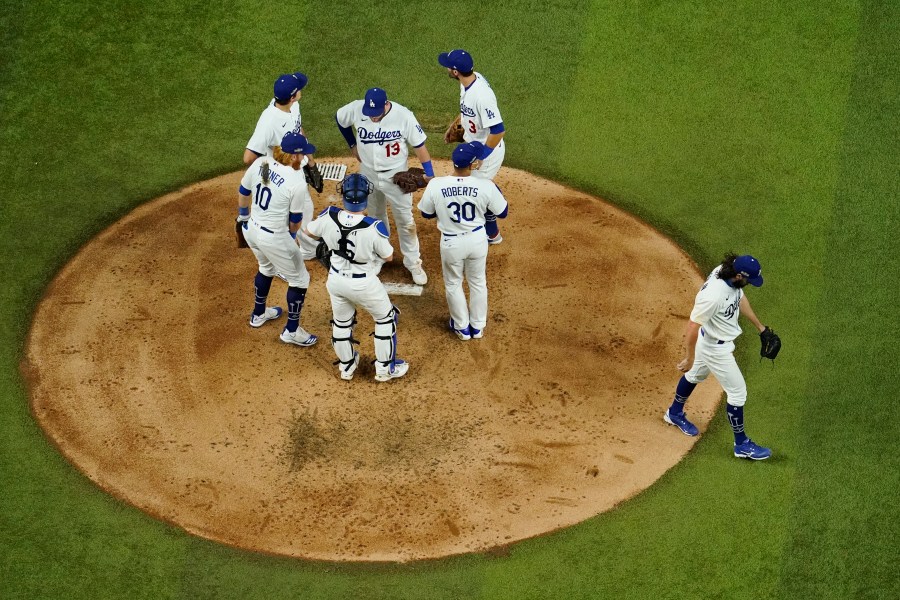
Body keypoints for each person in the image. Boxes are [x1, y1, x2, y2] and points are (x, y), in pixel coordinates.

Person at [663, 254, 773, 460]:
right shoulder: (713, 296)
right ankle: (741, 444)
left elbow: (738, 297)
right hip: (715, 349)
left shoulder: (729, 274)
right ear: (739, 275)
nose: (750, 284)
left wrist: (761, 328)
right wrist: (689, 357)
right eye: (749, 279)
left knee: (694, 376)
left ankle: (674, 413)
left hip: (712, 341)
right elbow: (692, 326)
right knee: (738, 393)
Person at [306, 174, 409, 382]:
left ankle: (347, 366)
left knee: (342, 324)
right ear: (366, 197)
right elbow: (388, 256)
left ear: (342, 195)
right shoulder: (373, 227)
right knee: (385, 318)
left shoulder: (328, 216)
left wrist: (330, 238)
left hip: (335, 281)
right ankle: (384, 369)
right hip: (364, 284)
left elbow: (309, 232)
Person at [335, 88, 433, 285]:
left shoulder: (404, 116)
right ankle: (381, 255)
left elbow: (419, 145)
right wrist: (352, 144)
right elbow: (340, 118)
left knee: (406, 220)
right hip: (368, 173)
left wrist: (430, 174)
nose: (372, 118)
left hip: (395, 176)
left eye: (376, 114)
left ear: (386, 104)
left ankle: (413, 262)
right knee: (376, 215)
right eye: (369, 114)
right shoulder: (356, 109)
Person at [418, 142, 509, 340]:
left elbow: (426, 213)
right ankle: (477, 327)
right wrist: (495, 192)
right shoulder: (486, 185)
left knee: (453, 283)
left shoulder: (436, 184)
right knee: (477, 282)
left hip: (451, 243)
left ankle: (461, 327)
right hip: (477, 240)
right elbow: (503, 212)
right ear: (474, 163)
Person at [237, 131, 318, 347]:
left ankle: (258, 314)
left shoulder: (262, 162)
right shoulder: (296, 181)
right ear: (292, 156)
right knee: (300, 279)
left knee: (266, 267)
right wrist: (290, 239)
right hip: (274, 237)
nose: (303, 159)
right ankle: (291, 330)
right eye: (302, 155)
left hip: (252, 229)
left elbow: (244, 190)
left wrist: (243, 216)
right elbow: (295, 221)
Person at [438, 49, 507, 244]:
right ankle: (489, 229)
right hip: (473, 145)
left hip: (487, 150)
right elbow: (466, 111)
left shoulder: (482, 95)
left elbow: (498, 130)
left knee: (476, 192)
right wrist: (455, 125)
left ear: (455, 71)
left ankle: (492, 233)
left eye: (448, 66)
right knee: (470, 188)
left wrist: (482, 154)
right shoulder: (468, 82)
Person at [243, 72, 309, 165]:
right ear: (292, 97)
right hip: (283, 171)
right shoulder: (268, 122)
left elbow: (297, 127)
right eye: (299, 89)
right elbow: (248, 158)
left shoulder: (293, 104)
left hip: (299, 162)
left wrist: (311, 163)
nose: (301, 90)